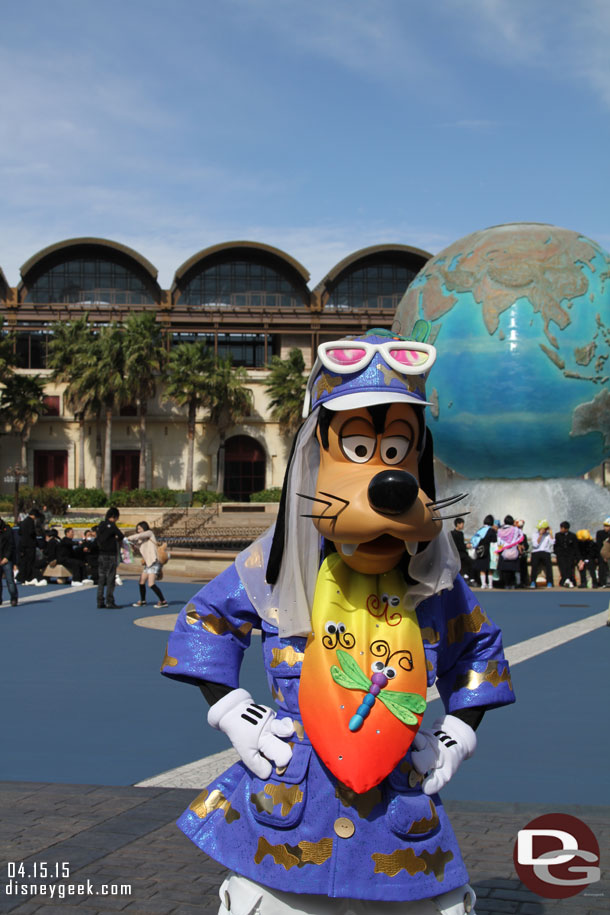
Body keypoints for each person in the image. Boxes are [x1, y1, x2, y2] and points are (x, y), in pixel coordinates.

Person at [162, 327, 515, 914]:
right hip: (287, 818)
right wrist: (231, 711)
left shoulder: (430, 575)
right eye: (355, 448)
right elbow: (206, 620)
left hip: (397, 815)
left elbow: (478, 648)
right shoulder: (275, 563)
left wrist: (458, 734)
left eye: (398, 450)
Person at [127, 521, 168, 609]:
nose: (138, 531)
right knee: (141, 582)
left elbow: (138, 536)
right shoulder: (140, 540)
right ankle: (143, 601)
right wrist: (133, 546)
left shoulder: (149, 533)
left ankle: (163, 601)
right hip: (148, 563)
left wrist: (129, 538)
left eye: (139, 528)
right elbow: (139, 549)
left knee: (151, 584)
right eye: (137, 529)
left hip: (154, 562)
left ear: (144, 528)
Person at [96, 507, 124, 609]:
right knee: (111, 578)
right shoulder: (112, 526)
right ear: (114, 517)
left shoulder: (101, 525)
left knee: (101, 578)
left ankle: (100, 601)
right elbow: (121, 535)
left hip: (101, 554)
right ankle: (109, 601)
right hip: (111, 554)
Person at [496, 515, 524, 589]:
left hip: (504, 552)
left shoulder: (500, 530)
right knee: (513, 570)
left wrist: (499, 551)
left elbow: (499, 542)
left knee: (505, 571)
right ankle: (514, 584)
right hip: (514, 551)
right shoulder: (515, 529)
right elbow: (521, 537)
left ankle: (506, 584)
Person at [16, 508, 43, 586]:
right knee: (30, 562)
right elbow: (31, 532)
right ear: (34, 516)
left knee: (24, 562)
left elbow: (19, 532)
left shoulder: (23, 521)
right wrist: (35, 534)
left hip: (23, 544)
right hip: (30, 545)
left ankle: (21, 578)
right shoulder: (30, 522)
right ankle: (29, 577)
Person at [470, 514, 497, 588]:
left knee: (482, 569)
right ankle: (490, 584)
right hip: (489, 552)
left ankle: (483, 584)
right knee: (490, 568)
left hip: (480, 551)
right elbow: (494, 541)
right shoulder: (491, 531)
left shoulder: (480, 530)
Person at [530, 520, 554, 588]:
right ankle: (533, 582)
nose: (544, 530)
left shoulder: (548, 534)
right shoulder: (535, 534)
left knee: (549, 567)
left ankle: (549, 582)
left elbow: (552, 542)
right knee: (534, 567)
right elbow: (535, 545)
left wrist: (551, 532)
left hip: (546, 552)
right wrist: (540, 535)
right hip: (536, 552)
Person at [554, 521, 578, 588]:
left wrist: (574, 555)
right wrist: (557, 553)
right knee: (563, 568)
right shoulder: (557, 535)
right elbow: (556, 545)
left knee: (570, 568)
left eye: (562, 528)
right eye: (561, 528)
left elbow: (575, 547)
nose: (561, 529)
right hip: (561, 555)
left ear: (566, 529)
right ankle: (564, 580)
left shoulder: (573, 536)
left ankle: (570, 580)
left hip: (570, 555)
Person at [0, 519, 18, 606]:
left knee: (10, 580)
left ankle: (14, 598)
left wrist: (6, 557)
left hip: (6, 559)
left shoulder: (7, 530)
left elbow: (11, 545)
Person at [450, 517, 473, 582]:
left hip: (460, 554)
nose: (462, 525)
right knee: (470, 563)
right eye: (461, 524)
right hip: (459, 554)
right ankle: (470, 578)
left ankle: (466, 576)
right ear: (457, 524)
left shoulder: (460, 533)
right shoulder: (454, 533)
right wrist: (466, 546)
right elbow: (458, 545)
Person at [595, 517, 610, 588]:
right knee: (602, 569)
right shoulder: (600, 533)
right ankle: (602, 582)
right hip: (602, 555)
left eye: (607, 526)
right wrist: (604, 555)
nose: (605, 528)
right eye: (605, 526)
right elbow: (599, 545)